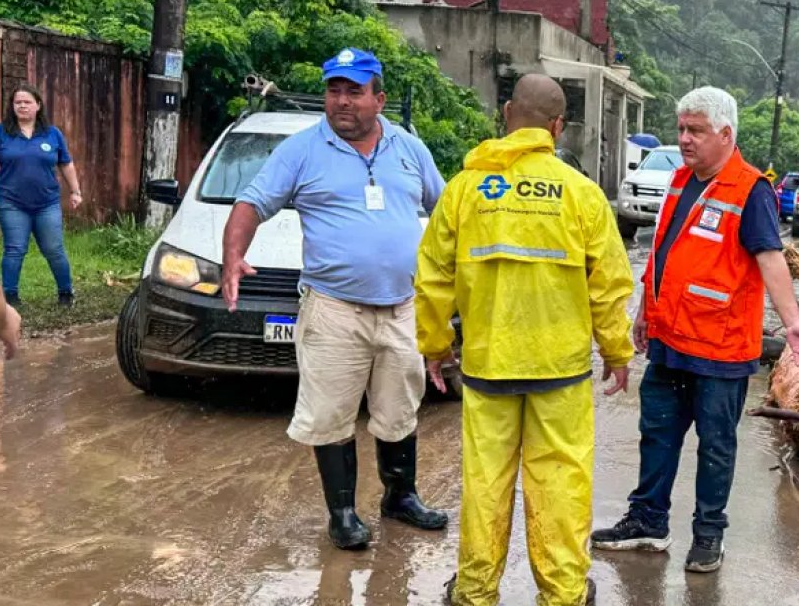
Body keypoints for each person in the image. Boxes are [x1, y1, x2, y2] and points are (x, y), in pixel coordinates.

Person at [415, 74, 633, 606]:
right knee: (560, 483)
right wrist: (617, 350)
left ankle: (473, 592)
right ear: (558, 127)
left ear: (507, 112)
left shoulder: (466, 189)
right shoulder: (580, 194)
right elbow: (608, 282)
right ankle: (562, 595)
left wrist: (436, 345)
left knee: (485, 482)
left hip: (490, 366)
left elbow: (433, 275)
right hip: (559, 371)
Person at [221, 48, 449, 550]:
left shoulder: (410, 150)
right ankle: (343, 513)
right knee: (331, 413)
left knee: (399, 408)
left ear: (379, 98)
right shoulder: (300, 151)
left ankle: (400, 496)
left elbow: (448, 209)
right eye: (334, 90)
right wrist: (233, 255)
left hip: (402, 307)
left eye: (354, 91)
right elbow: (251, 203)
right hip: (333, 309)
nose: (342, 101)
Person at [592, 86, 799, 574]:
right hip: (671, 343)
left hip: (720, 352)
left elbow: (770, 258)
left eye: (695, 131)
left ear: (725, 133)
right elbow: (664, 253)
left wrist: (793, 322)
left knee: (716, 447)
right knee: (656, 435)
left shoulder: (751, 189)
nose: (684, 139)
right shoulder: (679, 181)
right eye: (681, 129)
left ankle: (708, 536)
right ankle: (648, 522)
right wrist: (643, 313)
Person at [0, 85, 83, 307]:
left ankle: (66, 293)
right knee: (14, 250)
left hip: (47, 204)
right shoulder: (1, 132)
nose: (22, 106)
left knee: (54, 249)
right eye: (17, 102)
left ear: (38, 105)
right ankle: (10, 298)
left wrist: (75, 191)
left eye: (27, 102)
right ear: (12, 106)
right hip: (11, 202)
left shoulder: (52, 134)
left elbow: (66, 163)